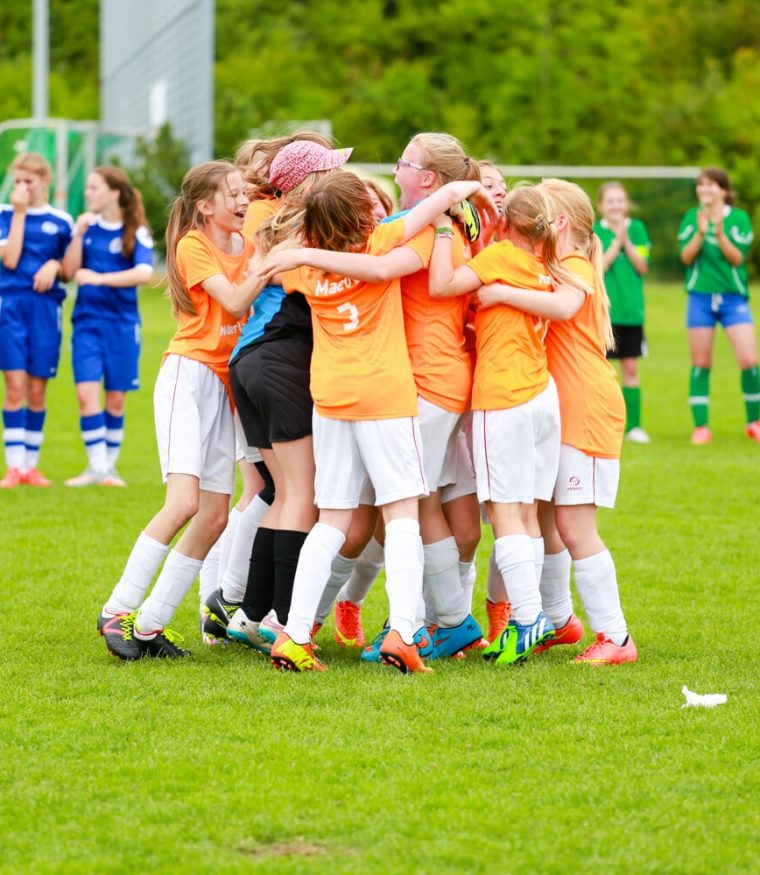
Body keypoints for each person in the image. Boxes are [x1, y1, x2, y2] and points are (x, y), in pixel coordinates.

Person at [258, 171, 492, 673]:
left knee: (333, 519)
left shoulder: (301, 265)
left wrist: (302, 247)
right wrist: (467, 195)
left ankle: (294, 635)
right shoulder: (380, 240)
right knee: (402, 510)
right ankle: (405, 633)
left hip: (331, 398)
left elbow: (269, 263)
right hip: (383, 396)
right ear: (362, 216)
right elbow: (448, 195)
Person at [97, 161, 266, 660]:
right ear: (204, 205)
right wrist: (270, 266)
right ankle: (118, 609)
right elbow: (235, 303)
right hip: (187, 379)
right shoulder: (194, 245)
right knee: (184, 503)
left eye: (244, 193)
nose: (241, 201)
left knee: (214, 516)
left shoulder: (250, 247)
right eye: (230, 193)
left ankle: (148, 627)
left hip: (224, 385)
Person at [476, 178, 638, 666]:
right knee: (546, 518)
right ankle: (561, 620)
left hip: (586, 405)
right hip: (557, 407)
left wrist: (501, 293)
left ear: (560, 222)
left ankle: (616, 637)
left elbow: (564, 306)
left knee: (573, 525)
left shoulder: (573, 263)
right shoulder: (552, 263)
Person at [218, 138, 352, 654]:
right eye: (331, 172)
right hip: (277, 358)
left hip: (251, 361)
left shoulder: (279, 222)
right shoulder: (296, 229)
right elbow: (313, 286)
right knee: (302, 493)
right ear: (307, 181)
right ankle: (277, 618)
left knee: (280, 492)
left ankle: (252, 614)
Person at [429, 184, 569, 666]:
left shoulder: (502, 257)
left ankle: (527, 618)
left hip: (503, 396)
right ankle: (534, 618)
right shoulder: (545, 263)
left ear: (508, 222)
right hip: (540, 393)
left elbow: (442, 285)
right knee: (527, 512)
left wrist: (445, 227)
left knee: (506, 513)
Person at [61, 166, 154, 486]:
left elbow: (144, 273)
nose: (88, 193)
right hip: (87, 323)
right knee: (86, 395)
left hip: (123, 325)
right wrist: (77, 235)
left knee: (115, 399)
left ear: (115, 192)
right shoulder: (86, 228)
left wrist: (100, 278)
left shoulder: (136, 231)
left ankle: (109, 469)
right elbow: (69, 270)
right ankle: (97, 467)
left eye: (94, 187)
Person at [0, 152, 72, 488]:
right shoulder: (5, 214)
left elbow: (70, 269)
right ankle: (15, 467)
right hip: (10, 307)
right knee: (14, 386)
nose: (22, 187)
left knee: (37, 389)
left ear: (45, 181)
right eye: (17, 181)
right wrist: (18, 212)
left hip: (46, 311)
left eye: (28, 181)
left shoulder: (60, 221)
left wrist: (55, 265)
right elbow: (10, 259)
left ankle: (31, 466)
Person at [678, 167, 758, 445]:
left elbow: (737, 259)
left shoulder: (738, 218)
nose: (705, 190)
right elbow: (686, 258)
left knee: (749, 361)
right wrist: (700, 234)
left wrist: (720, 234)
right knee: (701, 362)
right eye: (701, 185)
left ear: (723, 190)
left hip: (733, 297)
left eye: (711, 185)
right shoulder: (691, 217)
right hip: (699, 297)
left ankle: (754, 422)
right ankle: (701, 427)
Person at [594, 181, 651, 444]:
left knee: (630, 368)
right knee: (601, 371)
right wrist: (616, 241)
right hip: (605, 314)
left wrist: (626, 239)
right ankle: (602, 424)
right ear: (601, 206)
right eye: (610, 201)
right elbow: (599, 268)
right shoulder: (595, 232)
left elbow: (642, 266)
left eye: (620, 200)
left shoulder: (637, 229)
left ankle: (635, 426)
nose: (616, 205)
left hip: (631, 313)